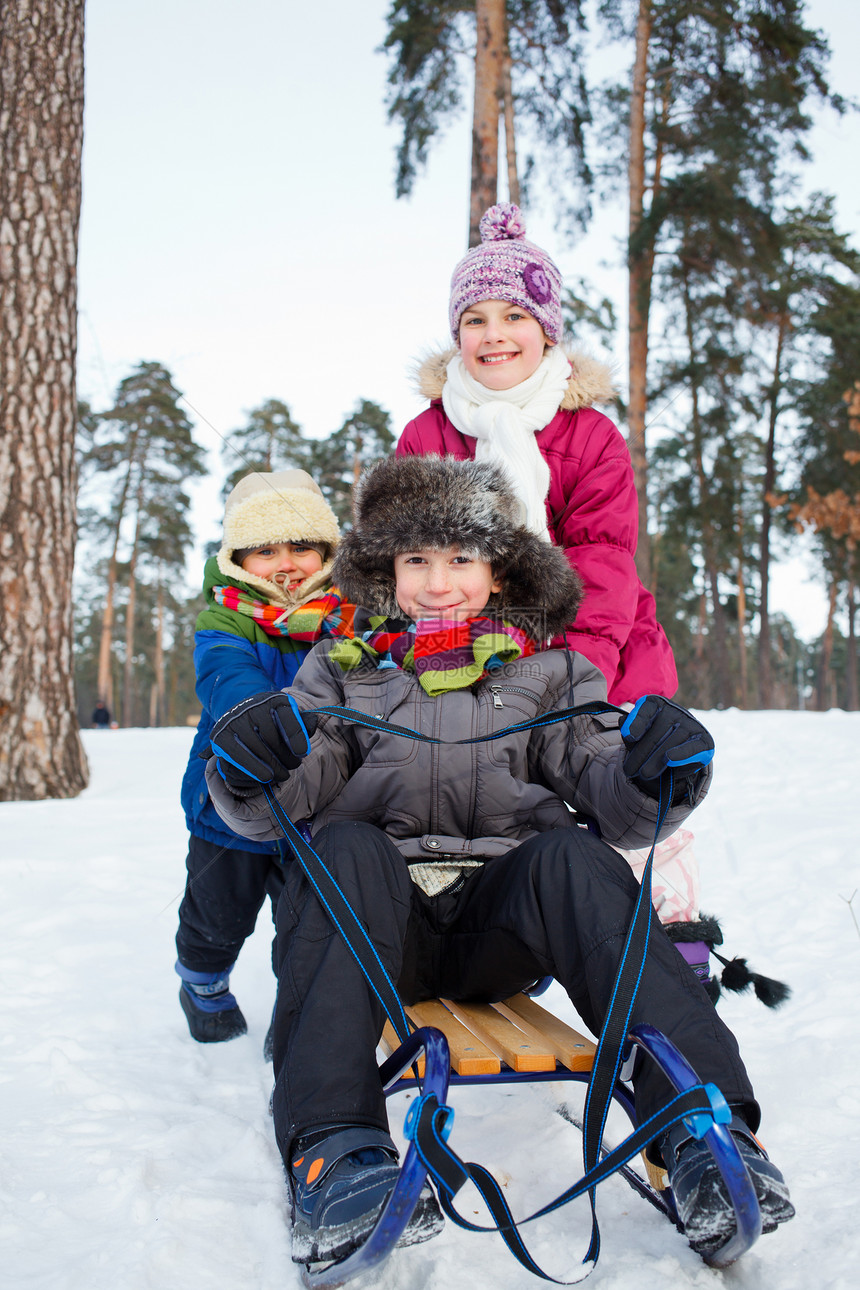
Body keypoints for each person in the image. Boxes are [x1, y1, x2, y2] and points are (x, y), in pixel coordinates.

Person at [204, 455, 794, 1268]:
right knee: (338, 842)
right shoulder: (342, 672)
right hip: (376, 933)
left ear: (500, 570)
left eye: (460, 559)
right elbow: (289, 797)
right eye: (416, 560)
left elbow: (610, 794)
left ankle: (703, 1133)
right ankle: (336, 1154)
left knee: (574, 857)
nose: (438, 583)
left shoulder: (551, 675)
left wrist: (656, 772)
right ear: (385, 571)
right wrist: (254, 765)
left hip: (500, 932)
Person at [176, 468, 349, 1052]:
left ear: (327, 550)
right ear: (238, 560)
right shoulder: (225, 619)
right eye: (266, 550)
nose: (287, 563)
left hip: (317, 807)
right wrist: (255, 710)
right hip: (233, 803)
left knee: (306, 925)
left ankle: (298, 1008)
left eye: (302, 546)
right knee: (217, 915)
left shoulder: (350, 620)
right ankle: (203, 983)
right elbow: (226, 673)